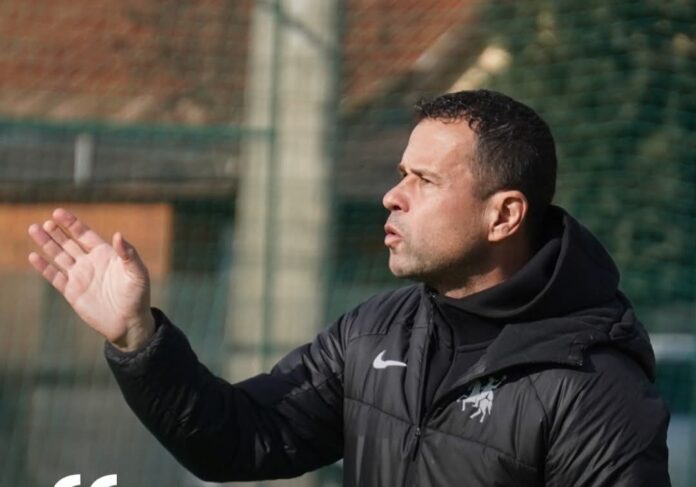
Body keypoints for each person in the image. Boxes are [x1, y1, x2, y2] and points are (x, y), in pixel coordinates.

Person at [27, 90, 671, 486]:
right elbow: (242, 438)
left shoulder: (593, 386)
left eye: (424, 180)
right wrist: (138, 338)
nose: (393, 196)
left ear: (503, 216)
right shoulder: (374, 332)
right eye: (401, 173)